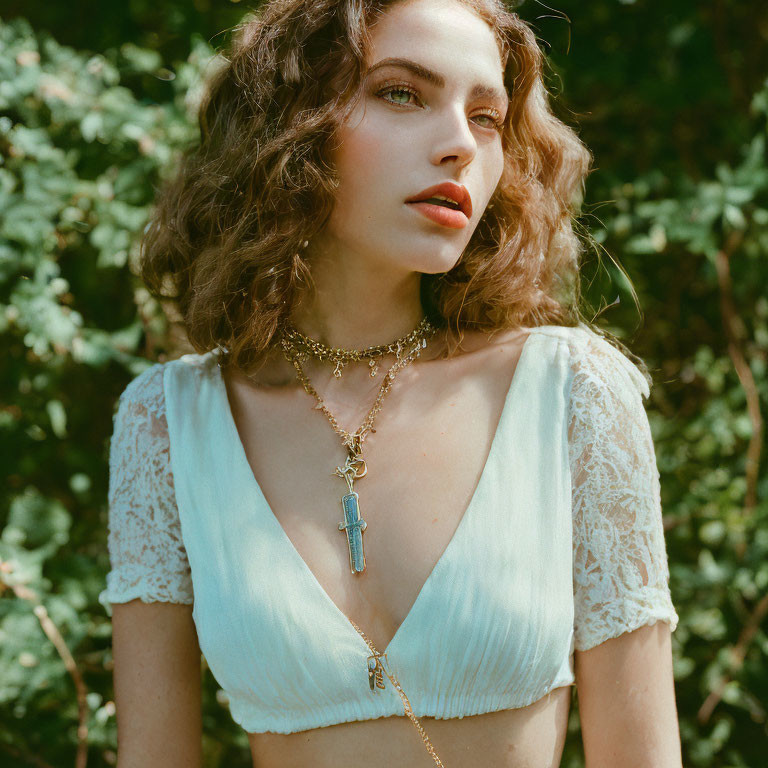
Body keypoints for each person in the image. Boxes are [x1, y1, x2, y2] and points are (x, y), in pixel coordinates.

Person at [98, 0, 683, 765]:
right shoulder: (168, 424)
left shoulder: (571, 393)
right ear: (290, 124)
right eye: (402, 93)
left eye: (486, 117)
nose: (458, 147)